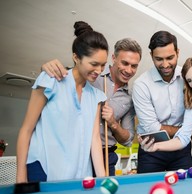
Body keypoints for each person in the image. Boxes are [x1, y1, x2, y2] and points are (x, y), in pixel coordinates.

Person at [16, 21, 108, 182]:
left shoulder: (96, 96)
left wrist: (103, 178)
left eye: (103, 65)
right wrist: (21, 179)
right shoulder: (50, 80)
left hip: (78, 174)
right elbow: (26, 130)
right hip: (42, 169)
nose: (99, 71)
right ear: (76, 57)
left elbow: (94, 139)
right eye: (94, 64)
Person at [40, 38, 142, 176]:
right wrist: (49, 68)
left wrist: (113, 123)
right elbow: (65, 77)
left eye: (134, 66)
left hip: (106, 155)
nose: (129, 70)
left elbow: (128, 139)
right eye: (125, 63)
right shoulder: (93, 74)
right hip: (75, 150)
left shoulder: (129, 98)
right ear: (113, 58)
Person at [132, 31, 192, 173]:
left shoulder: (188, 78)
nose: (165, 64)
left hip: (182, 149)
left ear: (177, 52)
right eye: (159, 59)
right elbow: (152, 128)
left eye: (170, 57)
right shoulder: (141, 85)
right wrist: (188, 130)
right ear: (151, 56)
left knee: (186, 189)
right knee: (148, 191)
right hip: (151, 149)